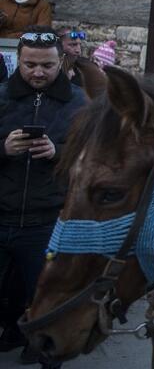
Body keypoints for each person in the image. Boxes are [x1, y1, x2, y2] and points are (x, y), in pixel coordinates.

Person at [0, 26, 86, 366]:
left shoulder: (79, 103)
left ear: (60, 60)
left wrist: (56, 152)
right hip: (2, 214)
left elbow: (91, 158)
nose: (37, 72)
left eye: (46, 66)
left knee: (48, 302)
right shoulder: (3, 96)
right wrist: (3, 149)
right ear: (19, 61)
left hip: (45, 221)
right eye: (30, 64)